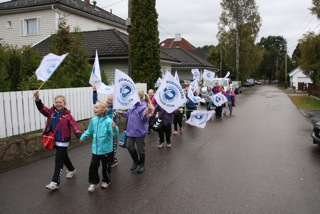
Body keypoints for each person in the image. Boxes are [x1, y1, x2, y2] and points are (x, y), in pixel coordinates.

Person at [33, 90, 82, 191]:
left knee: (58, 160)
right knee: (64, 157)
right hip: (54, 140)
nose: (58, 104)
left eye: (61, 102)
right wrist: (37, 99)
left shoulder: (67, 115)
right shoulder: (51, 112)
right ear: (54, 103)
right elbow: (42, 109)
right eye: (57, 102)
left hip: (64, 141)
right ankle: (71, 169)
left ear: (65, 104)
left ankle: (55, 182)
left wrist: (80, 136)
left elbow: (74, 126)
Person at [80, 101, 119, 192]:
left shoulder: (109, 121)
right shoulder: (93, 120)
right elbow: (89, 131)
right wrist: (83, 137)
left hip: (106, 150)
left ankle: (106, 180)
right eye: (94, 107)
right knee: (93, 166)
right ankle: (93, 182)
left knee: (106, 167)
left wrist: (114, 127)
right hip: (96, 150)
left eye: (97, 108)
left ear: (103, 110)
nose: (95, 109)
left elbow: (114, 134)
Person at [118, 89, 154, 173]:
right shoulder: (131, 105)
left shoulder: (144, 106)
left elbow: (145, 120)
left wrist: (145, 114)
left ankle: (142, 164)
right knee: (129, 146)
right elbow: (129, 115)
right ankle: (136, 161)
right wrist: (122, 113)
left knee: (141, 150)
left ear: (139, 97)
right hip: (130, 131)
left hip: (139, 132)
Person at [93, 86, 119, 167]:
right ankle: (108, 159)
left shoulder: (114, 109)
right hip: (104, 131)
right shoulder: (106, 106)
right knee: (106, 145)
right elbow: (96, 102)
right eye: (108, 99)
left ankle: (113, 159)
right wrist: (94, 92)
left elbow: (106, 110)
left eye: (111, 100)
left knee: (113, 146)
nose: (109, 101)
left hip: (112, 130)